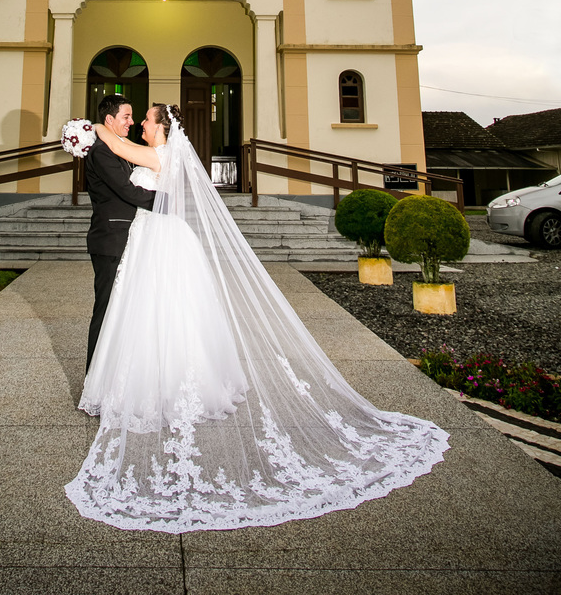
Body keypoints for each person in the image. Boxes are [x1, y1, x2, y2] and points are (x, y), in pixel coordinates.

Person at [66, 104, 450, 534]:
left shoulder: (158, 154)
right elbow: (120, 149)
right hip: (154, 238)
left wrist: (91, 129)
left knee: (162, 311)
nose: (138, 123)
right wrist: (90, 132)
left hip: (158, 238)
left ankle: (164, 382)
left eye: (147, 118)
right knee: (156, 312)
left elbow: (120, 149)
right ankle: (162, 378)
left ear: (163, 127)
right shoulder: (156, 150)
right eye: (134, 117)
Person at [83, 94, 155, 371]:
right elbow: (126, 191)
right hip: (110, 239)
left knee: (121, 312)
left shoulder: (118, 147)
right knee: (105, 311)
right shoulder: (101, 152)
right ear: (109, 119)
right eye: (126, 116)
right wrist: (166, 202)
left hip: (126, 238)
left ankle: (113, 376)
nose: (132, 122)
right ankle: (94, 379)